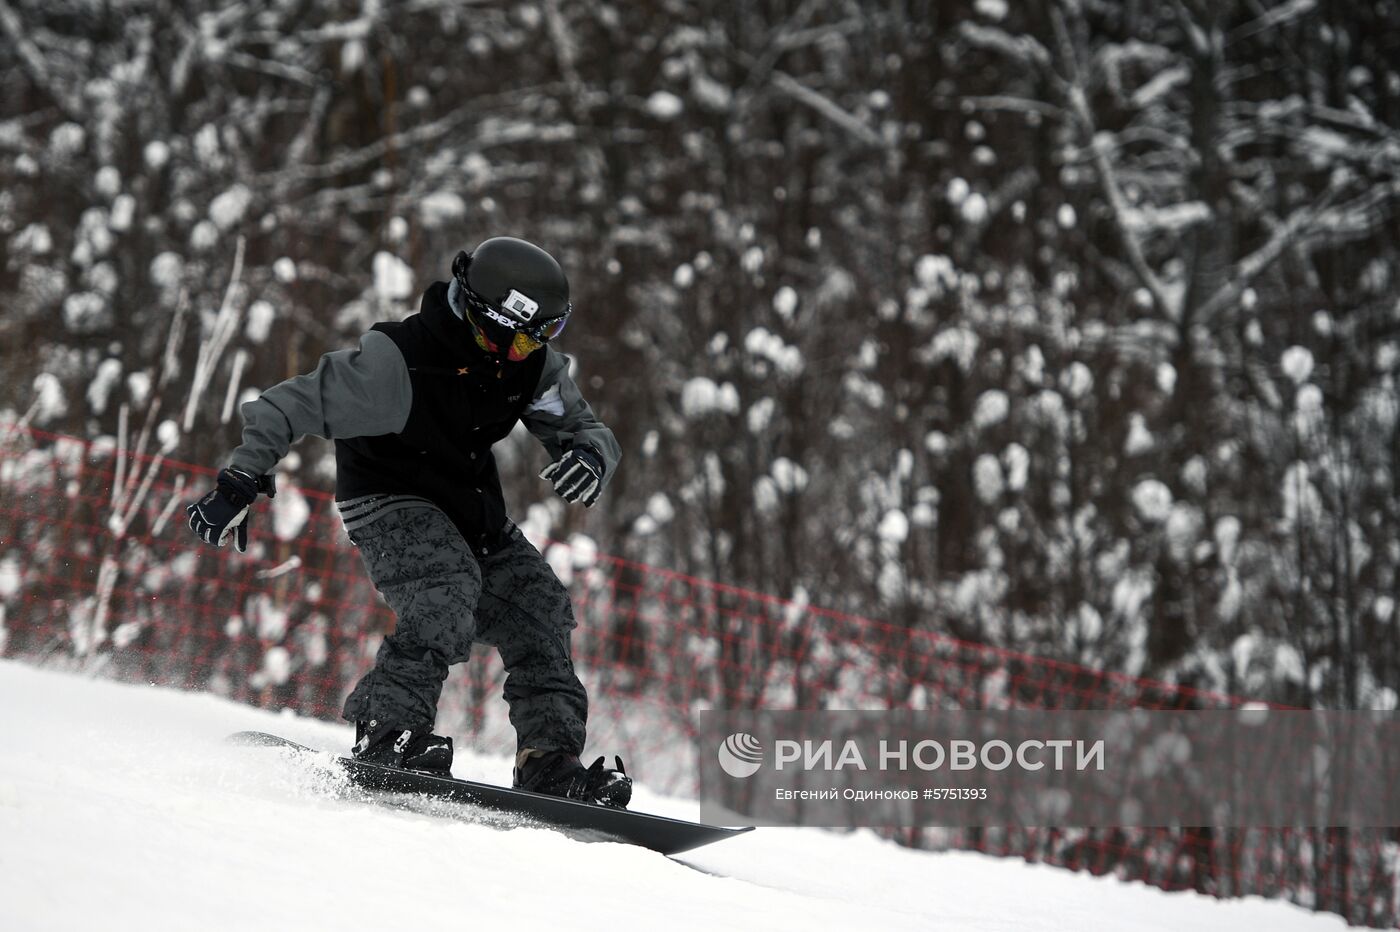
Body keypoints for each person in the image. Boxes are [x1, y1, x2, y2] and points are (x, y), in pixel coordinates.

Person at [186, 236, 630, 807]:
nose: (523, 350)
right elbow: (285, 405)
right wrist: (241, 478)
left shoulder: (527, 366)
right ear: (477, 312)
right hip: (389, 501)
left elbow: (581, 424)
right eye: (512, 334)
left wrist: (591, 454)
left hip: (473, 515)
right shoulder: (396, 365)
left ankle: (548, 760)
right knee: (444, 590)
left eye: (540, 336)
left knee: (541, 608)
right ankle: (387, 729)